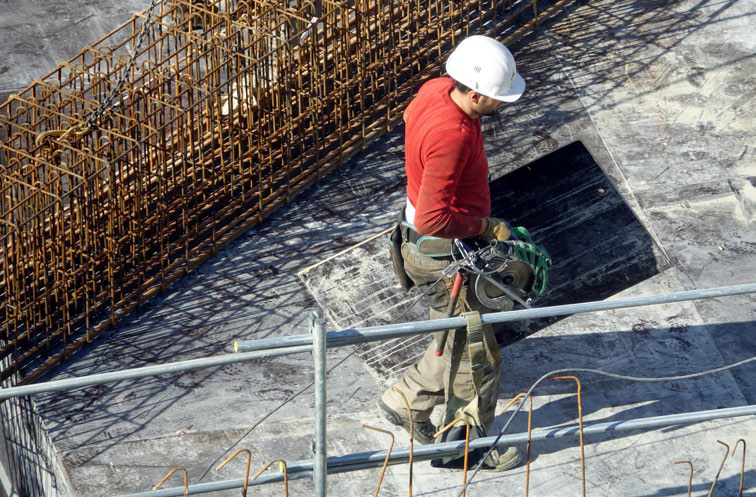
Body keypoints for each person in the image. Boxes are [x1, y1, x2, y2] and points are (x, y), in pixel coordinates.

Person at [379, 35, 526, 471]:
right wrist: (485, 226)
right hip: (441, 251)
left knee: (457, 333)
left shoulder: (435, 90)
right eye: (496, 99)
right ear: (476, 93)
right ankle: (461, 449)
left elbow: (411, 121)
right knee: (477, 351)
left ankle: (405, 399)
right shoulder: (453, 136)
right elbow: (431, 219)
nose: (501, 106)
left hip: (421, 242)